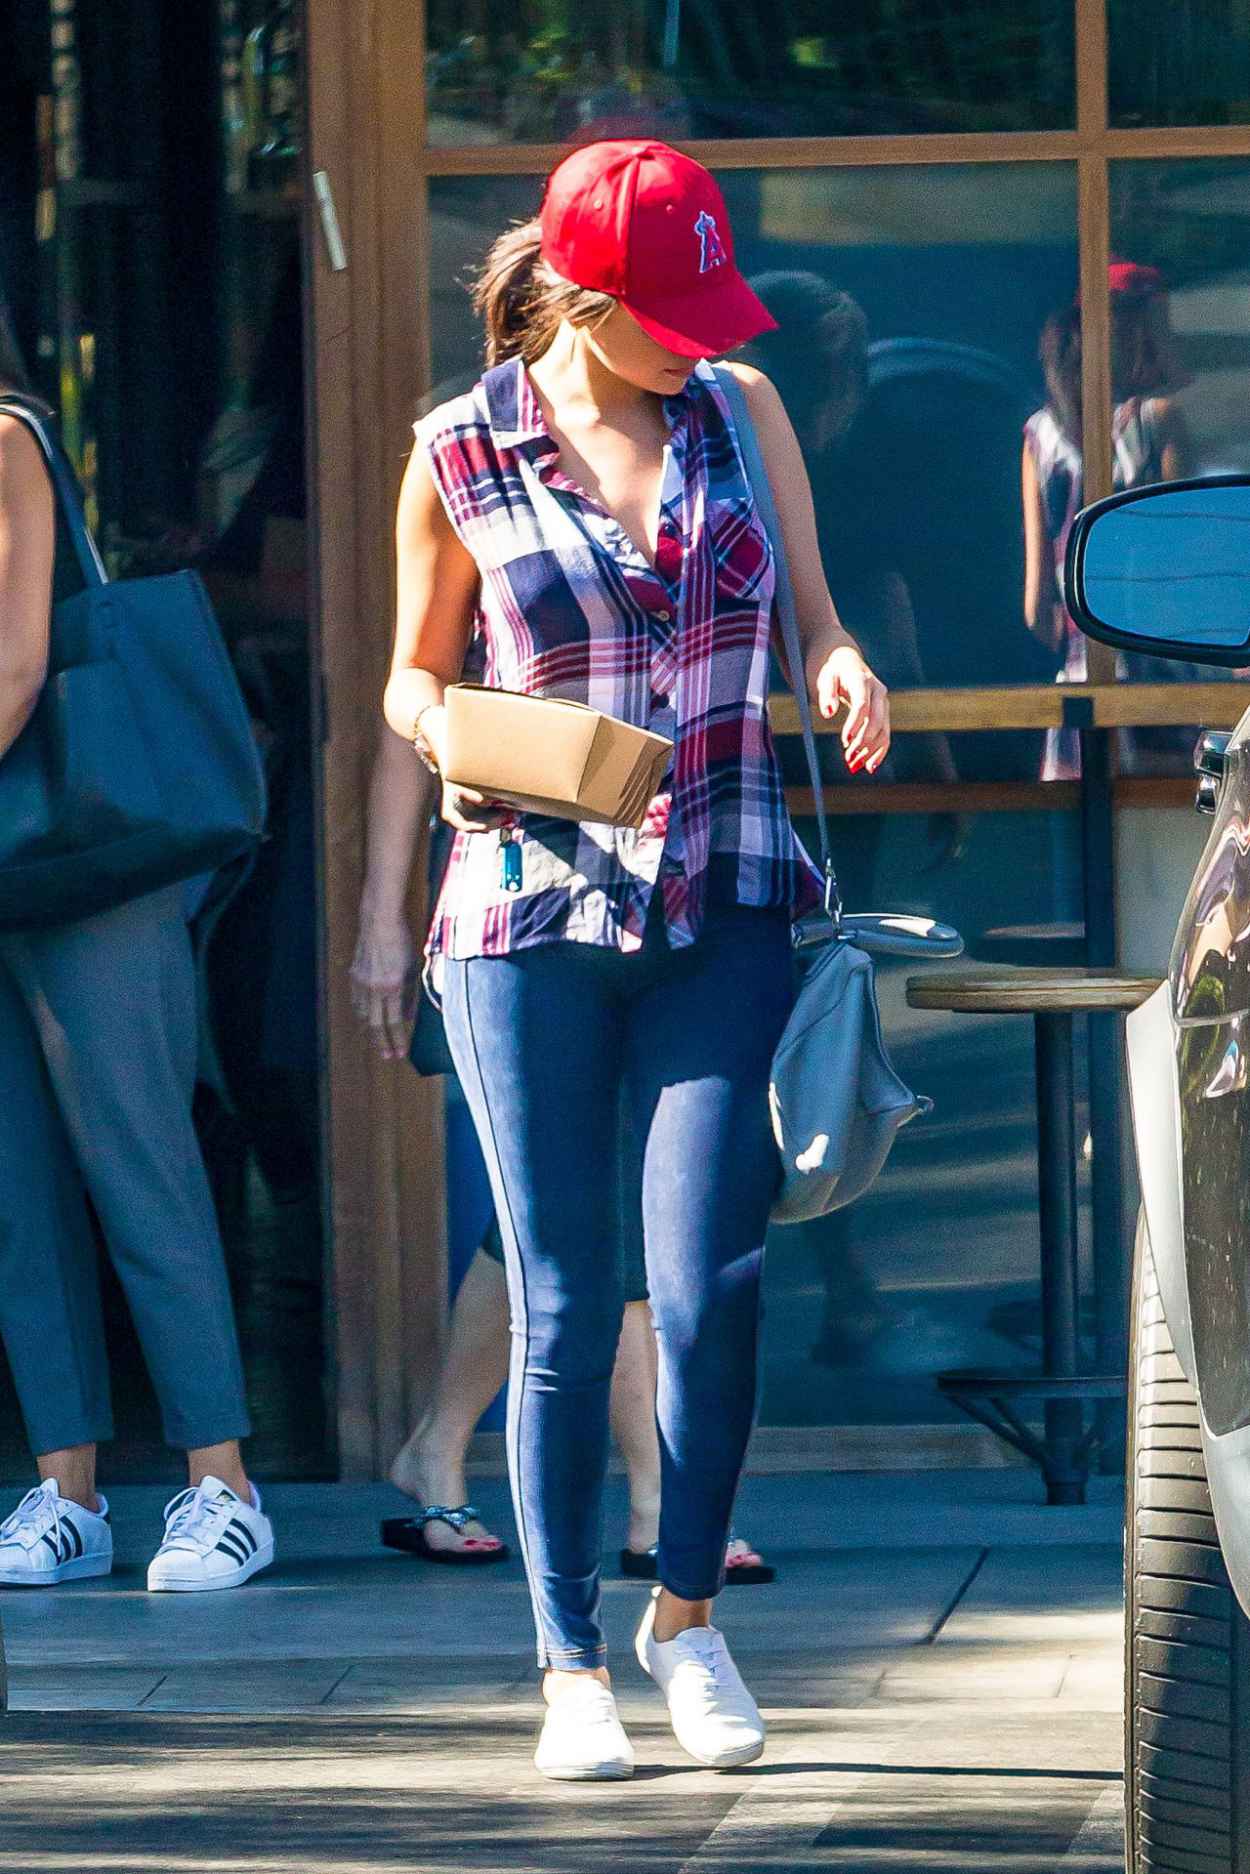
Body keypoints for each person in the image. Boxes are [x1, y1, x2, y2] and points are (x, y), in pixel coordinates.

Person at [382, 139, 889, 1780]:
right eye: (672, 314)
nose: (701, 341)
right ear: (586, 301)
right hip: (526, 910)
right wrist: (455, 740)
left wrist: (841, 667)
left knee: (714, 1279)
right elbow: (407, 674)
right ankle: (570, 1664)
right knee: (559, 1294)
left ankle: (688, 1616)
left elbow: (813, 615)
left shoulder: (741, 412)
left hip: (724, 888)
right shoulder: (457, 447)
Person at [350, 728, 774, 1579]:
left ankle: (437, 1446)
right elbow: (406, 720)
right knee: (588, 1208)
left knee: (551, 1216)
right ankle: (657, 1499)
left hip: (678, 887)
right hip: (526, 890)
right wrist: (382, 913)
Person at [0, 301, 273, 1592]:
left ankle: (225, 1483)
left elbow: (16, 666)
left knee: (138, 1164)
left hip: (82, 851)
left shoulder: (5, 435)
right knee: (16, 1188)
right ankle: (68, 1493)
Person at [1023, 260, 1192, 784]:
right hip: (1157, 679)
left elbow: (1036, 609)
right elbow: (1185, 564)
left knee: (1082, 827)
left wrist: (1081, 640)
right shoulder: (1157, 419)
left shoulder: (1039, 434)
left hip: (1077, 685)